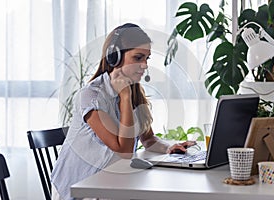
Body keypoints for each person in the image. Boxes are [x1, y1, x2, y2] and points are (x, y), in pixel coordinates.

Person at [51, 23, 196, 200]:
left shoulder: (133, 90)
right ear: (115, 57)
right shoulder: (92, 95)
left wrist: (169, 148)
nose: (144, 65)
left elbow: (148, 139)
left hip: (109, 182)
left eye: (147, 59)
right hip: (79, 188)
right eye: (138, 57)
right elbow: (124, 151)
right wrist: (125, 98)